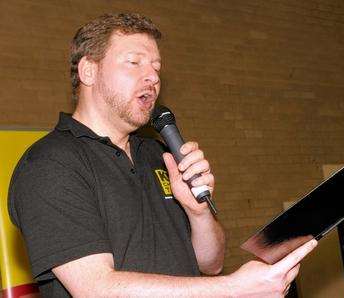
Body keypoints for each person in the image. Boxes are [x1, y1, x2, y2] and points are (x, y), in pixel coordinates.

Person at [8, 13, 317, 297]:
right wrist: (234, 289)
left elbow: (210, 263)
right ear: (88, 70)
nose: (152, 77)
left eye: (156, 67)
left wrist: (197, 212)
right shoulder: (50, 164)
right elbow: (96, 289)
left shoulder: (158, 154)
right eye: (134, 63)